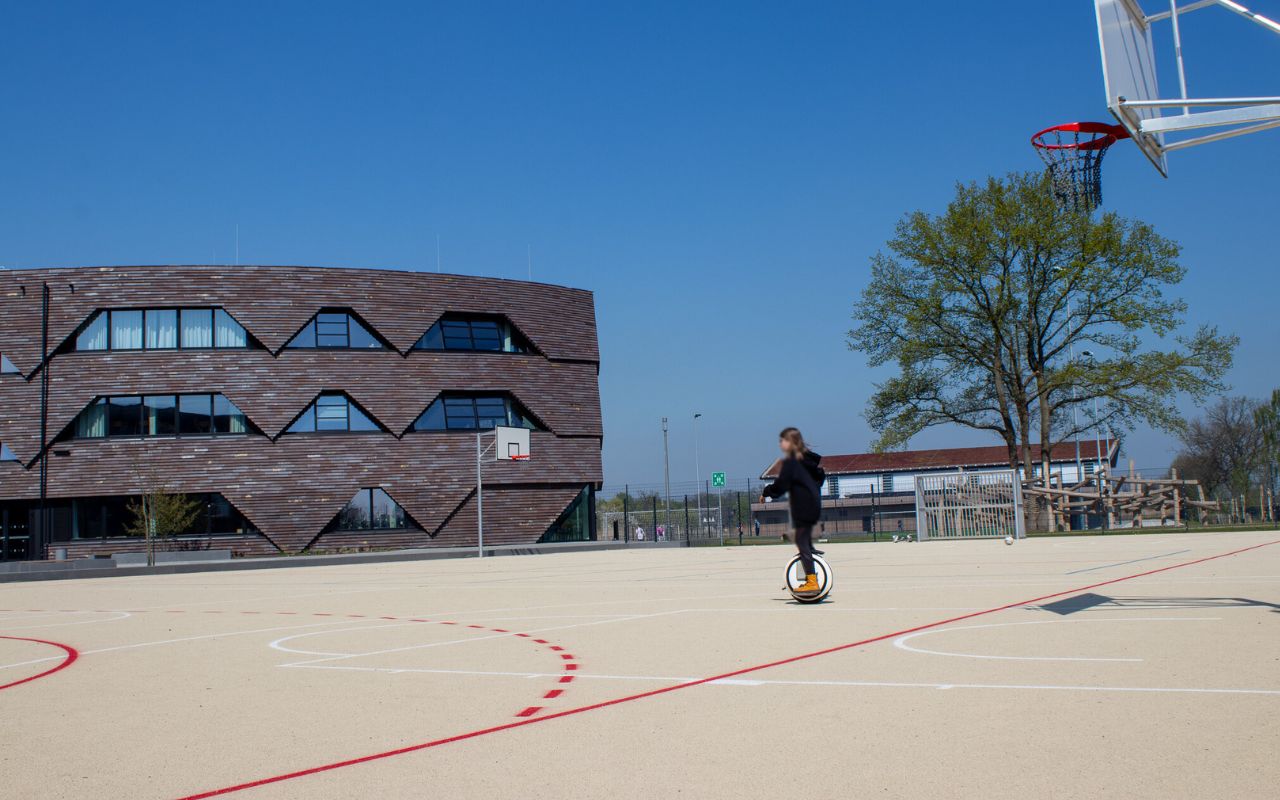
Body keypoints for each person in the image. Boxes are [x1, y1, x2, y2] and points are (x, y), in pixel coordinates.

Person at [759, 427, 825, 597]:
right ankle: (811, 552)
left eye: (783, 440)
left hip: (804, 506)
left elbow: (781, 485)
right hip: (813, 504)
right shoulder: (808, 461)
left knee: (800, 541)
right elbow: (821, 477)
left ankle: (812, 581)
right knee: (804, 540)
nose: (780, 444)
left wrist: (766, 492)